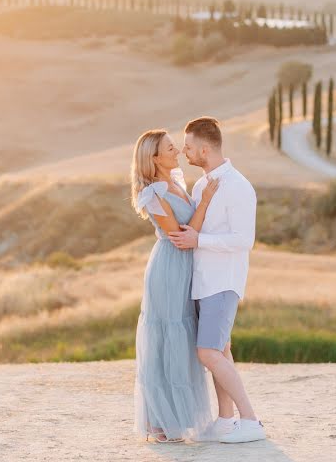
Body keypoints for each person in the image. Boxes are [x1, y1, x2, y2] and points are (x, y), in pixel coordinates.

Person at [168, 116, 266, 443]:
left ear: (205, 149)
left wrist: (199, 241)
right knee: (220, 350)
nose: (184, 153)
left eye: (189, 147)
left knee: (207, 352)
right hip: (203, 282)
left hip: (223, 283)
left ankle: (250, 420)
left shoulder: (238, 186)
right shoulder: (201, 185)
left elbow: (244, 240)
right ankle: (225, 421)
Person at [130, 128, 219, 443]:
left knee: (182, 339)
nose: (178, 151)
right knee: (166, 338)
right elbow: (180, 239)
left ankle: (176, 418)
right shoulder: (153, 194)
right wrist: (206, 201)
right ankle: (160, 421)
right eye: (170, 148)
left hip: (186, 269)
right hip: (169, 268)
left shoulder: (177, 183)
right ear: (154, 158)